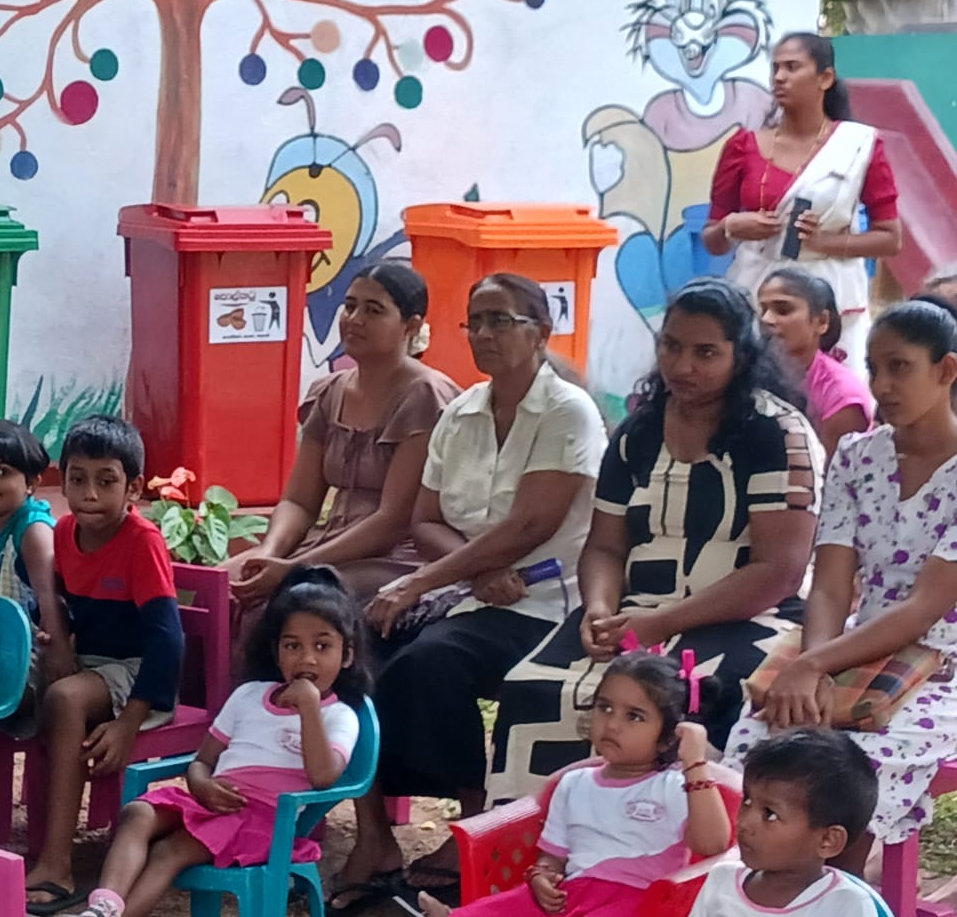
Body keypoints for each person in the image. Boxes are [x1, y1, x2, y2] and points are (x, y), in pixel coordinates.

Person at [488, 279, 822, 806]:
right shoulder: (638, 433)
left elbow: (778, 571)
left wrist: (663, 623)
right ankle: (537, 840)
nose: (682, 365)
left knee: (695, 699)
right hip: (636, 614)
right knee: (535, 686)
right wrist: (599, 609)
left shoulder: (776, 434)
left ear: (741, 355)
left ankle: (673, 841)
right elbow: (605, 547)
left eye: (705, 352)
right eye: (671, 346)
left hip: (755, 618)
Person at [333, 276, 607, 908]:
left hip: (546, 602)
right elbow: (424, 519)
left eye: (500, 321)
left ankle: (476, 823)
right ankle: (374, 836)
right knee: (348, 651)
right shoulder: (461, 413)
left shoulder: (567, 410)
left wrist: (422, 580)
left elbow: (533, 523)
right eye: (475, 321)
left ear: (540, 333)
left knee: (433, 662)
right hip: (469, 593)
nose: (484, 334)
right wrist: (468, 573)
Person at [723, 299, 957, 868]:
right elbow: (828, 584)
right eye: (874, 368)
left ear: (947, 370)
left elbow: (925, 607)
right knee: (762, 742)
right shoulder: (857, 456)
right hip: (853, 647)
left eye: (899, 367)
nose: (882, 385)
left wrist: (813, 665)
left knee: (844, 773)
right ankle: (756, 894)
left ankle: (831, 897)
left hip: (945, 664)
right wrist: (818, 668)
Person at [69, 567, 369, 917]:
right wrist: (200, 784)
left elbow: (323, 777)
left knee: (169, 851)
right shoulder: (248, 696)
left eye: (322, 646)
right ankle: (104, 904)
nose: (307, 658)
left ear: (347, 655)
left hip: (263, 821)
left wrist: (309, 708)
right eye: (292, 645)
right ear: (277, 653)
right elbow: (203, 760)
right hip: (212, 802)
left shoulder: (340, 716)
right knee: (137, 813)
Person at [413, 652, 730, 917]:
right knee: (512, 904)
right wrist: (542, 876)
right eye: (605, 707)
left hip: (638, 901)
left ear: (668, 737)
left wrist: (695, 763)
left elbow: (712, 845)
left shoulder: (675, 786)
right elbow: (553, 856)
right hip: (571, 894)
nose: (612, 724)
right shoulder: (573, 784)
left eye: (634, 716)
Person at [226, 263, 461, 609]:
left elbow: (393, 521)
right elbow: (299, 502)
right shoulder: (329, 391)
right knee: (215, 586)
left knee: (292, 603)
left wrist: (294, 568)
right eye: (350, 306)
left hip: (397, 556)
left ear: (411, 326)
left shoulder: (425, 395)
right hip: (326, 547)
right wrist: (269, 552)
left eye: (373, 310)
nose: (354, 319)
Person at [23, 416, 184, 914]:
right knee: (4, 678)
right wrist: (53, 638)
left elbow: (167, 639)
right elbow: (58, 605)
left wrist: (128, 723)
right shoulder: (64, 532)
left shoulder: (142, 541)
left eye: (106, 481)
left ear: (133, 487)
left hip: (138, 670)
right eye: (77, 479)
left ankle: (57, 865)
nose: (89, 494)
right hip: (91, 663)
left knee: (64, 698)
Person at [703, 32, 902, 367]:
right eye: (775, 68)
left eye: (792, 67)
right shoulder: (743, 146)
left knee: (832, 392)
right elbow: (713, 240)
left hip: (832, 302)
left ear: (825, 78)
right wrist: (731, 226)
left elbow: (890, 239)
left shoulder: (858, 145)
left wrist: (824, 242)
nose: (779, 77)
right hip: (756, 295)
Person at [690, 730, 882, 917]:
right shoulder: (721, 880)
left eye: (770, 814)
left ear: (827, 840)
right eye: (747, 801)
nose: (744, 823)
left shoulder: (846, 905)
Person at [757, 269, 872, 463]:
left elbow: (828, 474)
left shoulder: (842, 397)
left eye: (783, 310)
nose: (766, 319)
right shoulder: (749, 372)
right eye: (763, 310)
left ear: (822, 322)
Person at [0, 420, 65, 633]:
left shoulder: (33, 530)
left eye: (3, 472)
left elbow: (50, 601)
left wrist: (57, 646)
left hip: (31, 643)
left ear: (32, 484)